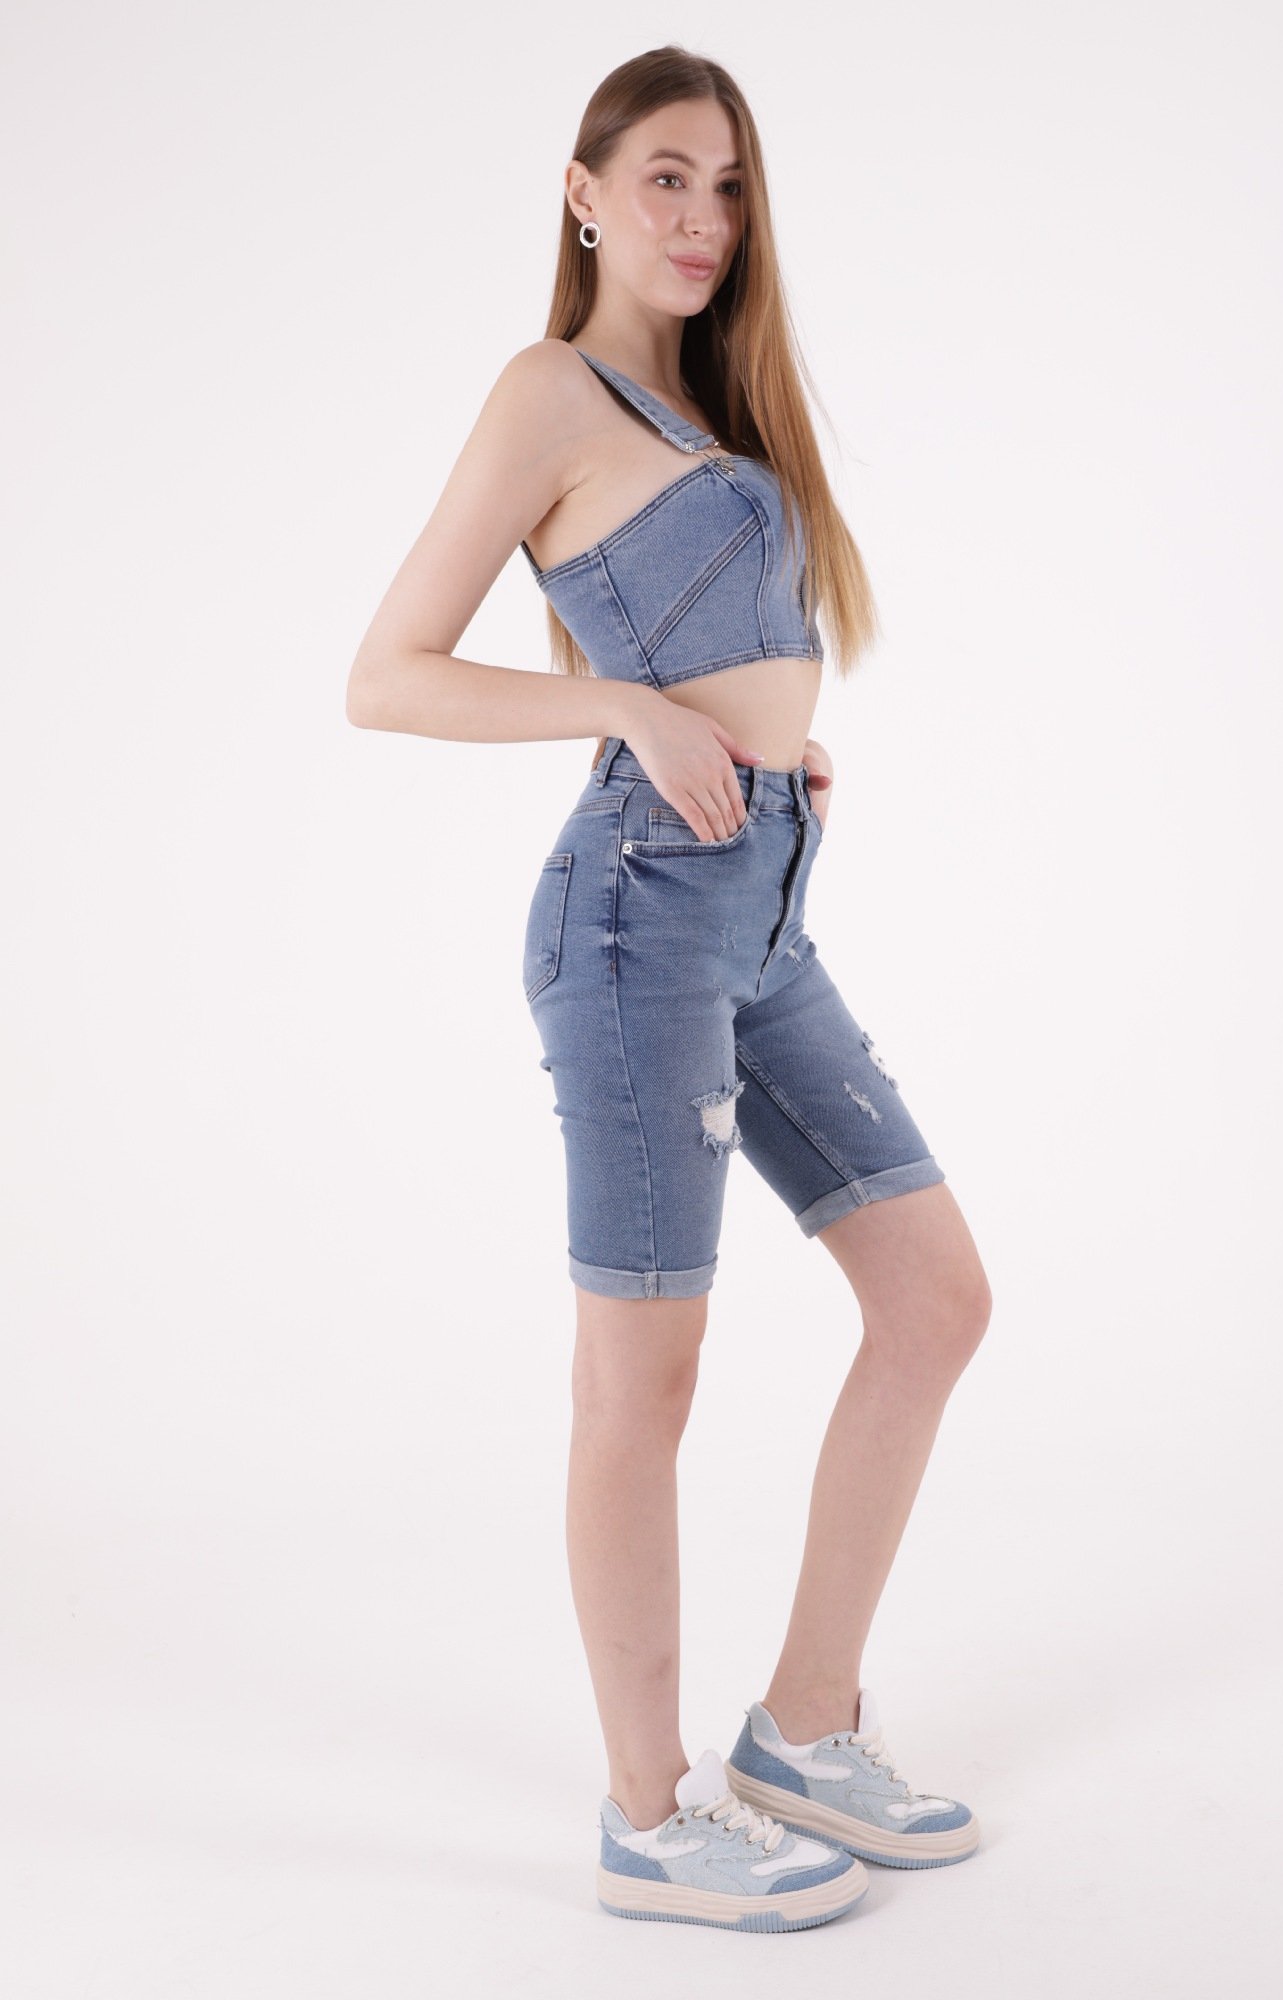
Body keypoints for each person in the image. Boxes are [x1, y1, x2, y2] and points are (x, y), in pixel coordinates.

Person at [347, 43, 992, 1934]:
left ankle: (805, 1727)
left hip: (759, 907)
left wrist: (775, 749)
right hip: (633, 917)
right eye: (664, 179)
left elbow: (740, 657)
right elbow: (385, 673)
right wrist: (627, 706)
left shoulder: (714, 404)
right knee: (644, 1375)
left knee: (934, 1299)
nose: (701, 218)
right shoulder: (547, 392)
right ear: (583, 192)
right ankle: (649, 1811)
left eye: (726, 188)